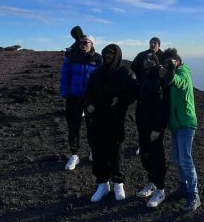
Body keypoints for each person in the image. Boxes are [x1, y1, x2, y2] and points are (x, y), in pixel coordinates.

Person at [84, 44, 138, 202]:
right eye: (106, 53)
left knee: (116, 152)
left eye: (112, 53)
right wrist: (89, 105)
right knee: (98, 151)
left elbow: (134, 92)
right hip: (97, 119)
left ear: (117, 55)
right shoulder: (97, 73)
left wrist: (121, 100)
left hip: (116, 119)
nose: (108, 56)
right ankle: (102, 184)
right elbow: (88, 93)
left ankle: (118, 183)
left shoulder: (125, 73)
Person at [159, 47, 200, 213]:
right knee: (177, 158)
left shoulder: (183, 72)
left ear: (177, 61)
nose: (168, 65)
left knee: (185, 159)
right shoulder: (173, 72)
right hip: (176, 123)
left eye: (170, 62)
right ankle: (184, 186)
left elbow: (180, 82)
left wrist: (169, 74)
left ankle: (194, 195)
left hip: (186, 122)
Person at [59, 35, 102, 170]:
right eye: (80, 43)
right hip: (74, 97)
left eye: (85, 42)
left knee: (93, 127)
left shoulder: (98, 59)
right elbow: (65, 76)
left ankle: (93, 152)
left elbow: (102, 78)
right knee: (73, 126)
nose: (82, 45)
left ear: (92, 44)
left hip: (91, 99)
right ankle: (74, 155)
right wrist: (66, 92)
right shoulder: (71, 57)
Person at [135, 52, 171, 208]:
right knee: (145, 154)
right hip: (142, 124)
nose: (148, 61)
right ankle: (152, 183)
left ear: (157, 63)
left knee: (157, 156)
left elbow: (164, 106)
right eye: (146, 59)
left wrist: (158, 128)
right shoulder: (143, 77)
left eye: (152, 59)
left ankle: (161, 189)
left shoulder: (160, 79)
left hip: (155, 127)